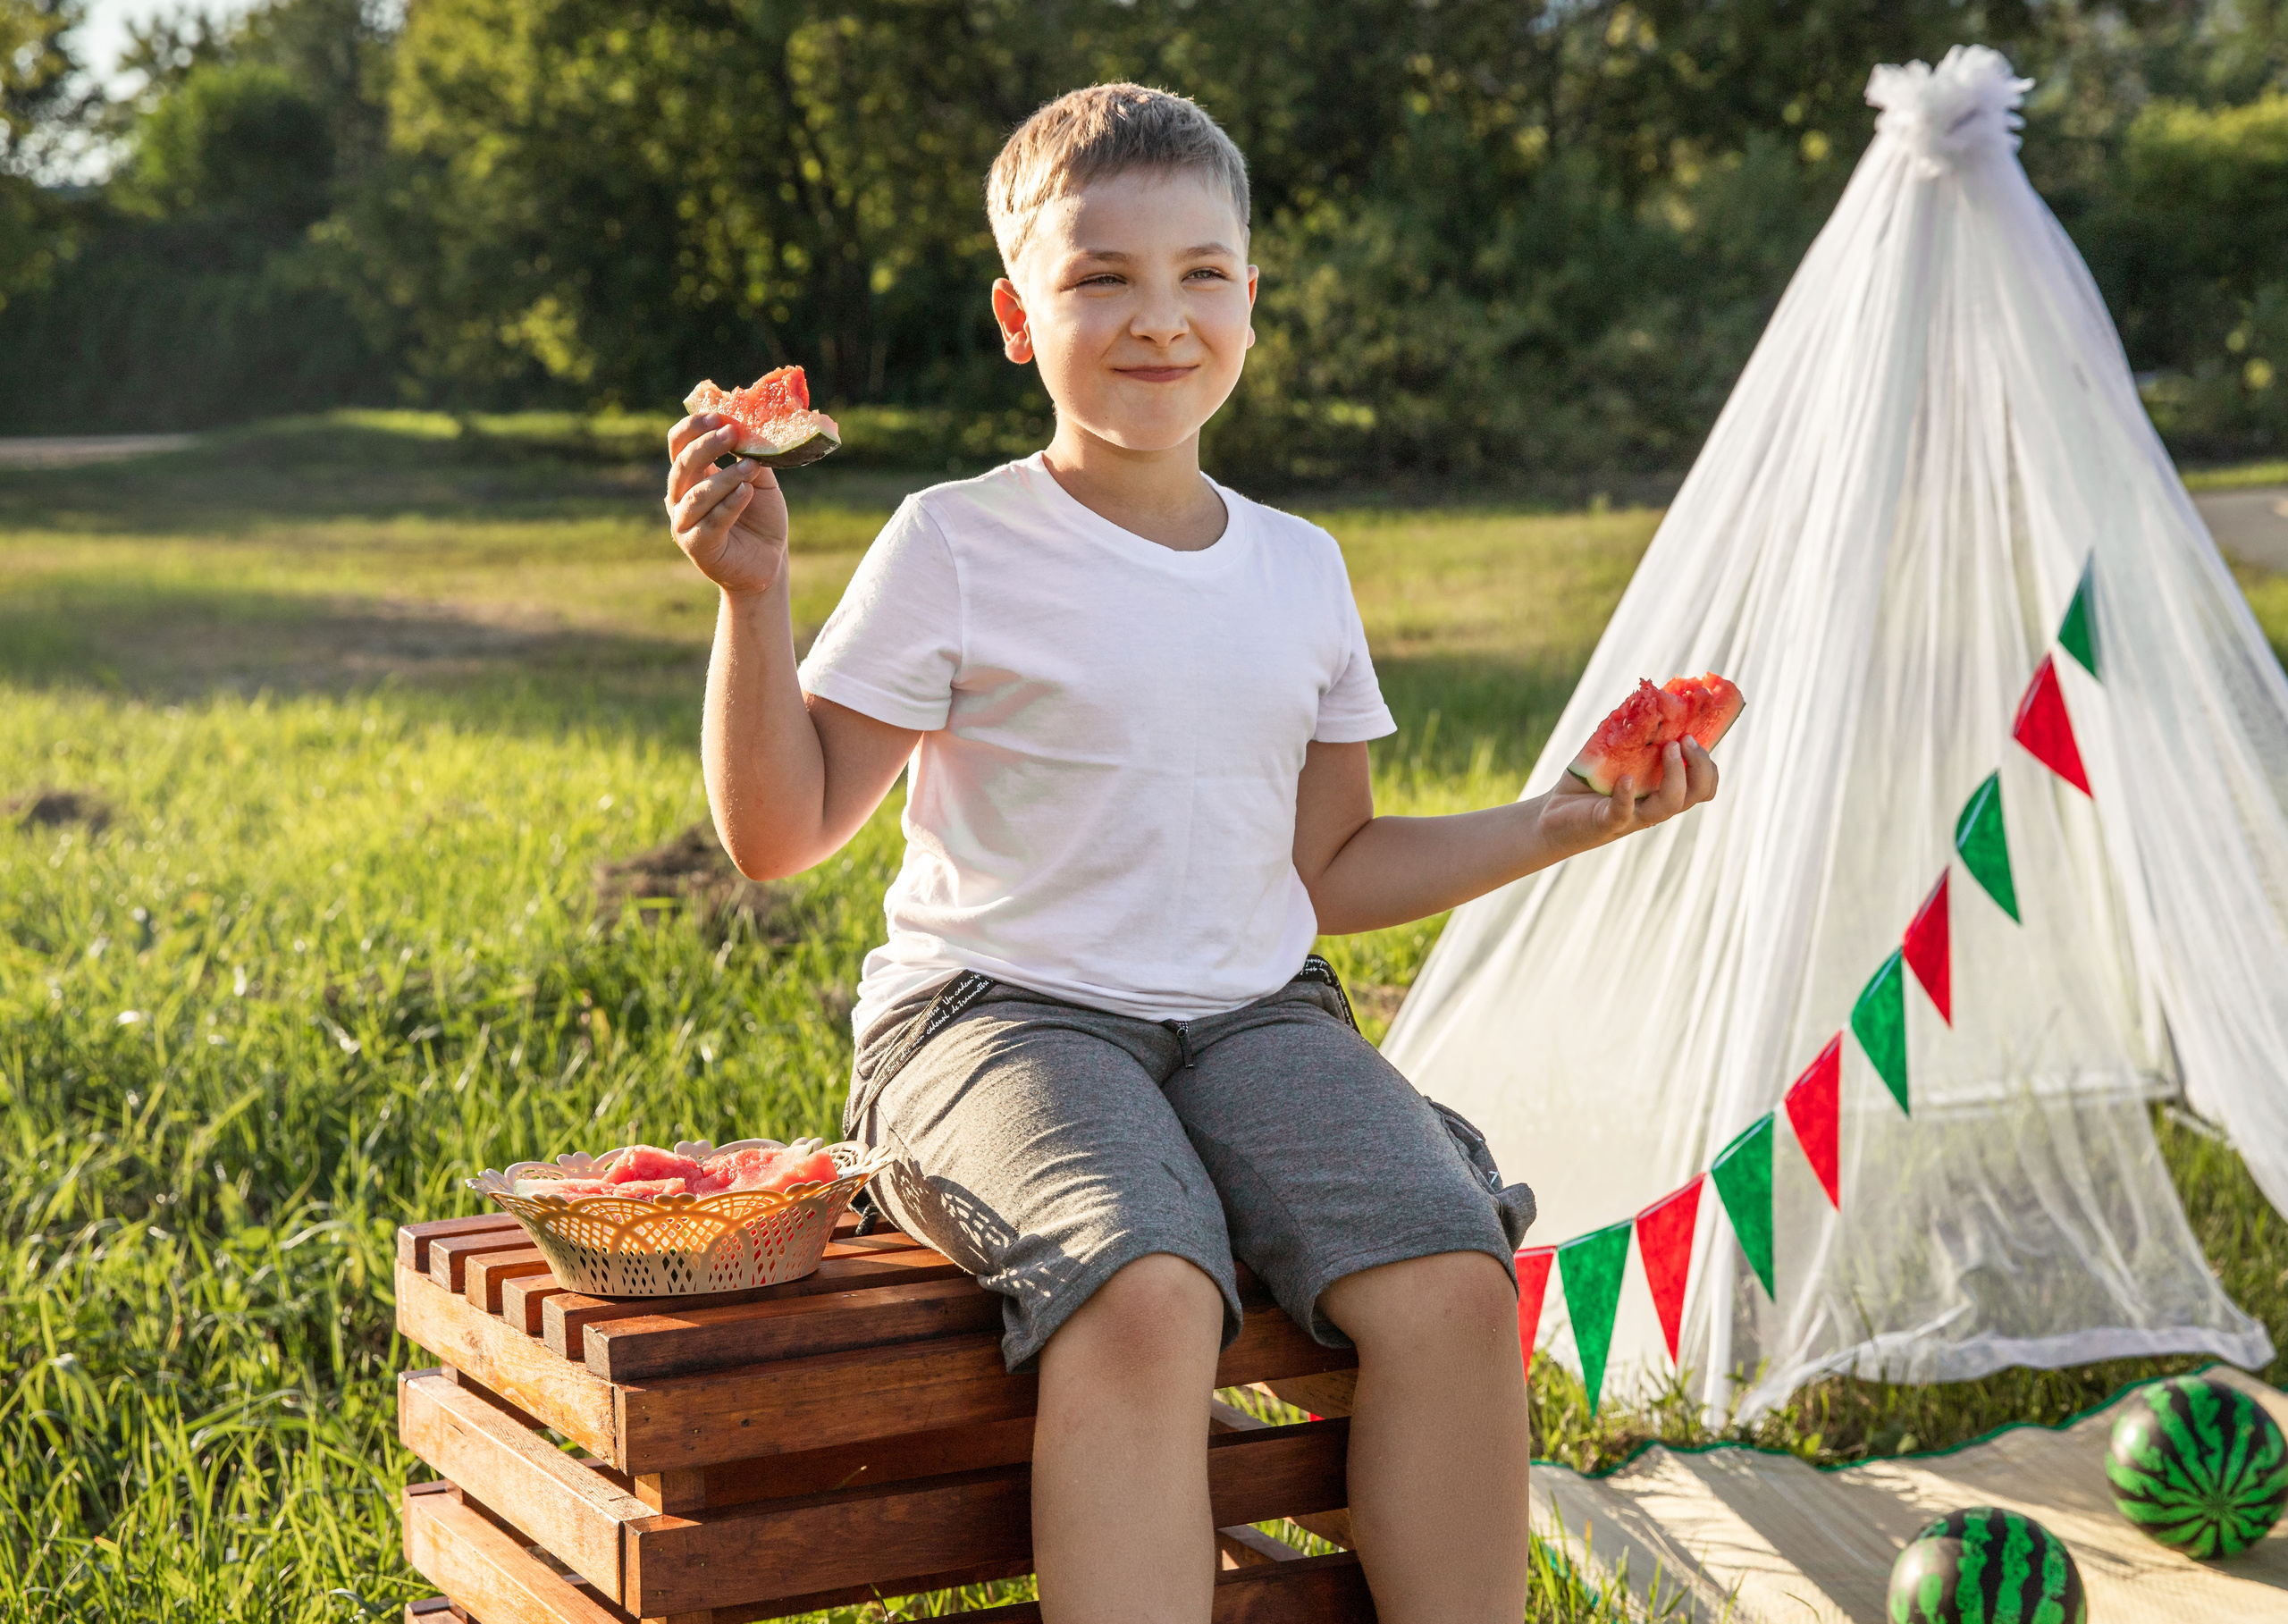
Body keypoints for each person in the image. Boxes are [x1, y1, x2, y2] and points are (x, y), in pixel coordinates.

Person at [663, 82, 1718, 1624]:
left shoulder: (1302, 568)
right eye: (1102, 277)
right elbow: (779, 832)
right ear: (1018, 319)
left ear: (1249, 300)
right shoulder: (955, 541)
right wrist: (753, 600)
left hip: (1257, 1015)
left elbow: (1331, 870)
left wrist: (1559, 821)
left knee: (1452, 1279)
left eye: (1201, 273)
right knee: (1147, 1292)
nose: (1160, 316)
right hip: (994, 1016)